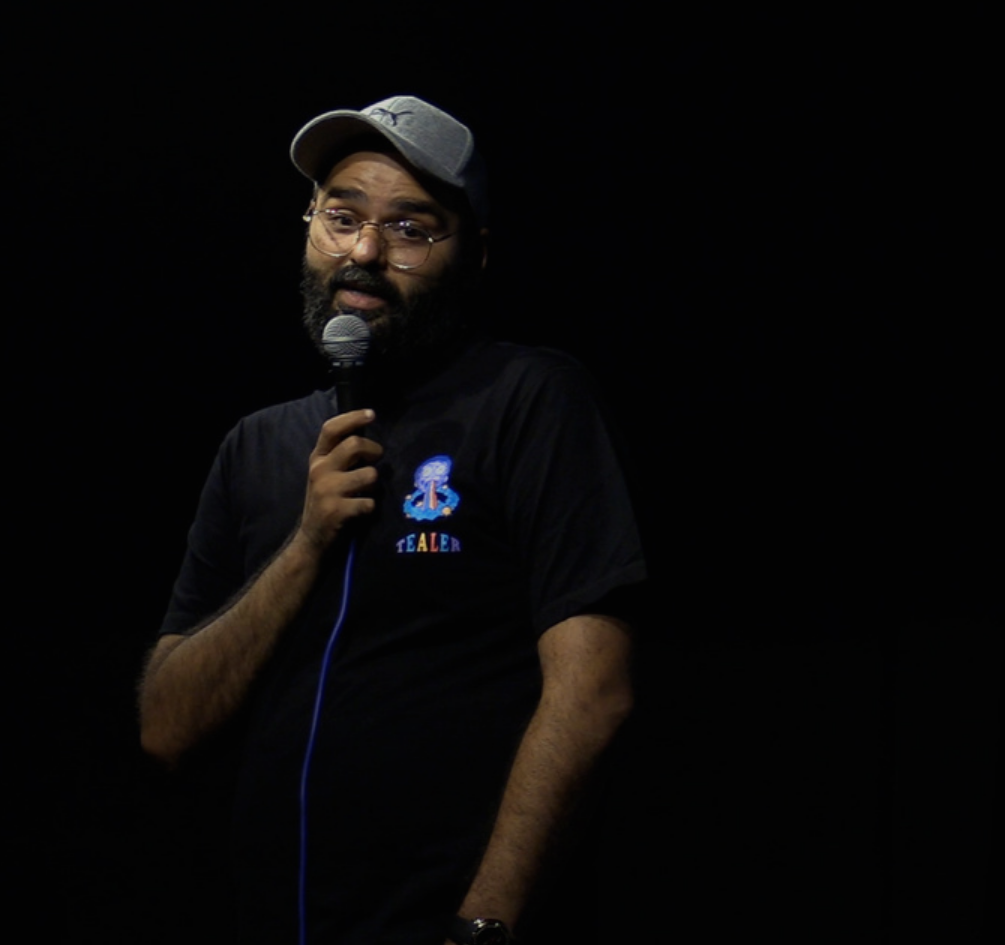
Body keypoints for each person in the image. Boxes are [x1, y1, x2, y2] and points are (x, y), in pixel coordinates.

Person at [138, 95, 646, 945]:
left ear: (474, 254)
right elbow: (165, 728)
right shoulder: (257, 445)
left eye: (411, 228)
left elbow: (594, 692)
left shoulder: (528, 401)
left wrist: (482, 925)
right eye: (341, 217)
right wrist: (307, 542)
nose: (365, 252)